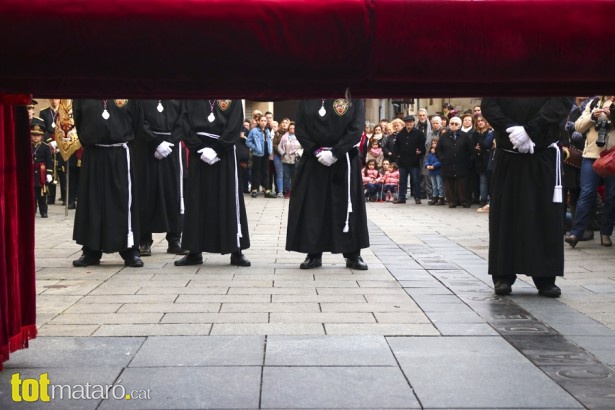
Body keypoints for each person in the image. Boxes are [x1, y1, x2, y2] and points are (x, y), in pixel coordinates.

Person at [482, 97, 573, 297]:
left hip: (542, 153)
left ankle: (545, 277)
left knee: (544, 216)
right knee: (505, 214)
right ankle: (503, 275)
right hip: (509, 152)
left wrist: (529, 131)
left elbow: (562, 100)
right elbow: (489, 103)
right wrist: (512, 129)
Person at [286, 98, 369, 270]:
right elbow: (300, 128)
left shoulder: (352, 94)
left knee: (347, 206)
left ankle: (353, 254)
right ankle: (313, 253)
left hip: (344, 158)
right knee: (313, 207)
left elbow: (357, 127)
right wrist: (316, 151)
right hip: (314, 159)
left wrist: (336, 152)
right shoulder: (306, 96)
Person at [175, 99, 251, 267]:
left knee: (229, 200)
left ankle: (236, 250)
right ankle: (194, 251)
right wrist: (198, 147)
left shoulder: (233, 96)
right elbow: (184, 122)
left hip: (224, 153)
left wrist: (218, 149)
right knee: (196, 201)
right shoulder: (192, 94)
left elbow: (234, 124)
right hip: (199, 153)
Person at [72, 99, 145, 268]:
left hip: (120, 152)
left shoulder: (129, 91)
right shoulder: (83, 94)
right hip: (94, 153)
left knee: (123, 201)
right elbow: (79, 120)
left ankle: (130, 250)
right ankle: (91, 250)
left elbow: (137, 123)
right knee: (93, 201)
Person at [134, 100, 188, 257]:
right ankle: (144, 240)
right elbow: (139, 119)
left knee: (173, 193)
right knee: (146, 192)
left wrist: (170, 143)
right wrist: (155, 142)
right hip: (146, 147)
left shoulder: (178, 95)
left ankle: (174, 239)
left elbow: (183, 119)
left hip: (171, 149)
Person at [565, 96, 615, 248]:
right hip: (591, 156)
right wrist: (593, 116)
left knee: (611, 196)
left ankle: (605, 233)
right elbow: (578, 126)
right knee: (586, 192)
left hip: (612, 156)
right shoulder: (593, 103)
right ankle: (576, 233)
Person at [436, 117, 474, 208]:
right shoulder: (443, 136)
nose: (453, 125)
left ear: (460, 125)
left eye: (456, 124)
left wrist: (468, 160)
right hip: (448, 164)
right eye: (452, 123)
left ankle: (463, 200)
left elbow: (471, 150)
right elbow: (438, 150)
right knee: (449, 183)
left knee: (462, 183)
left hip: (462, 164)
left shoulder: (465, 136)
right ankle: (452, 201)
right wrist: (442, 158)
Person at [394, 115, 426, 204]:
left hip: (414, 161)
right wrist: (397, 157)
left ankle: (417, 197)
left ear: (413, 122)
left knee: (416, 180)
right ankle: (402, 197)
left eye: (411, 122)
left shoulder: (419, 133)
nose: (409, 123)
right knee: (402, 180)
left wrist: (420, 152)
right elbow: (396, 147)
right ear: (405, 123)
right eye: (407, 122)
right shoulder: (400, 134)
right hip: (403, 161)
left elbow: (422, 147)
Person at [246, 113, 275, 198]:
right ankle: (254, 189)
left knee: (266, 172)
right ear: (258, 122)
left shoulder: (267, 131)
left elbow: (269, 141)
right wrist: (255, 148)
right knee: (256, 172)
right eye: (262, 120)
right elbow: (248, 142)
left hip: (266, 154)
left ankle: (267, 190)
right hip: (257, 154)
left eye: (265, 121)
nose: (263, 122)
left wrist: (270, 150)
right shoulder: (254, 130)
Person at [39, 99, 61, 204]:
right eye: (52, 99)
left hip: (61, 143)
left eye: (56, 99)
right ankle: (51, 197)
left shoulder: (63, 111)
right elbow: (43, 129)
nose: (54, 101)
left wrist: (59, 142)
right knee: (51, 169)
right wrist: (50, 142)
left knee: (62, 170)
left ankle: (65, 197)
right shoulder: (44, 112)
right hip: (49, 143)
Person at [31, 122, 53, 218]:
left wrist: (49, 173)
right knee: (32, 195)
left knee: (42, 195)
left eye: (38, 135)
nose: (36, 137)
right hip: (31, 172)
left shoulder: (46, 147)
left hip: (42, 173)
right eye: (34, 135)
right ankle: (32, 211)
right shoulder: (28, 146)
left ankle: (43, 212)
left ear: (42, 136)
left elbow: (49, 161)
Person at [278, 121, 302, 198]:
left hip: (296, 159)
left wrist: (298, 153)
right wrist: (283, 153)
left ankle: (294, 191)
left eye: (293, 128)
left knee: (295, 176)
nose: (292, 130)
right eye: (290, 128)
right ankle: (288, 191)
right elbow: (279, 147)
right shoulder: (284, 137)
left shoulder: (300, 136)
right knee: (286, 176)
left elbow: (303, 147)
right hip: (286, 159)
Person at [425, 138, 444, 205]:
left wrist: (434, 166)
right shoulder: (430, 152)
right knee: (434, 185)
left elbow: (440, 161)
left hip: (438, 170)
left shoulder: (440, 151)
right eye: (433, 143)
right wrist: (427, 165)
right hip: (432, 171)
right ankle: (434, 197)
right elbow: (427, 159)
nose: (434, 145)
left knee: (440, 185)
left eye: (435, 143)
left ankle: (441, 198)